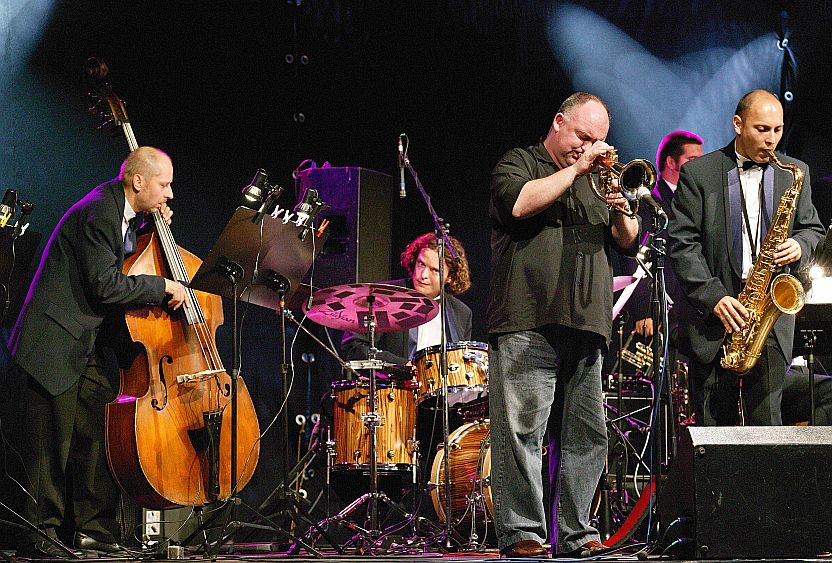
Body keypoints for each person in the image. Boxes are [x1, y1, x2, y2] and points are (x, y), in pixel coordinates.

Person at [4, 146, 188, 557]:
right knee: (49, 450)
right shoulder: (101, 210)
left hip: (80, 343)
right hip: (53, 343)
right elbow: (104, 284)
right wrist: (163, 287)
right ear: (138, 181)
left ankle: (93, 531)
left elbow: (116, 262)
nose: (170, 194)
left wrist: (148, 230)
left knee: (95, 434)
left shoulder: (118, 213)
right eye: (164, 184)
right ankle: (41, 536)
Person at [488, 92, 640, 558]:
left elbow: (629, 242)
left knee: (588, 434)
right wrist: (575, 170)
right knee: (522, 431)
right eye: (583, 136)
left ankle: (578, 533)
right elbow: (517, 205)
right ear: (559, 122)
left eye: (599, 140)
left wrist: (618, 205)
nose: (591, 147)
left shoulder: (598, 182)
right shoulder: (520, 162)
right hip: (527, 318)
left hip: (588, 323)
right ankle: (524, 533)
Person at [668, 89, 824, 426]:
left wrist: (799, 244)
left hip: (769, 318)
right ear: (738, 124)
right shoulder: (700, 173)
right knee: (715, 431)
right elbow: (682, 243)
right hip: (715, 319)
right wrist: (715, 297)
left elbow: (813, 229)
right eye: (762, 129)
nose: (771, 140)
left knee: (767, 429)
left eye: (777, 130)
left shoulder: (794, 172)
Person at [341, 232, 473, 365]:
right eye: (421, 264)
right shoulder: (384, 296)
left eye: (435, 270)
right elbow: (354, 347)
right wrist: (401, 366)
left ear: (450, 277)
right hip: (393, 384)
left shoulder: (461, 313)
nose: (423, 275)